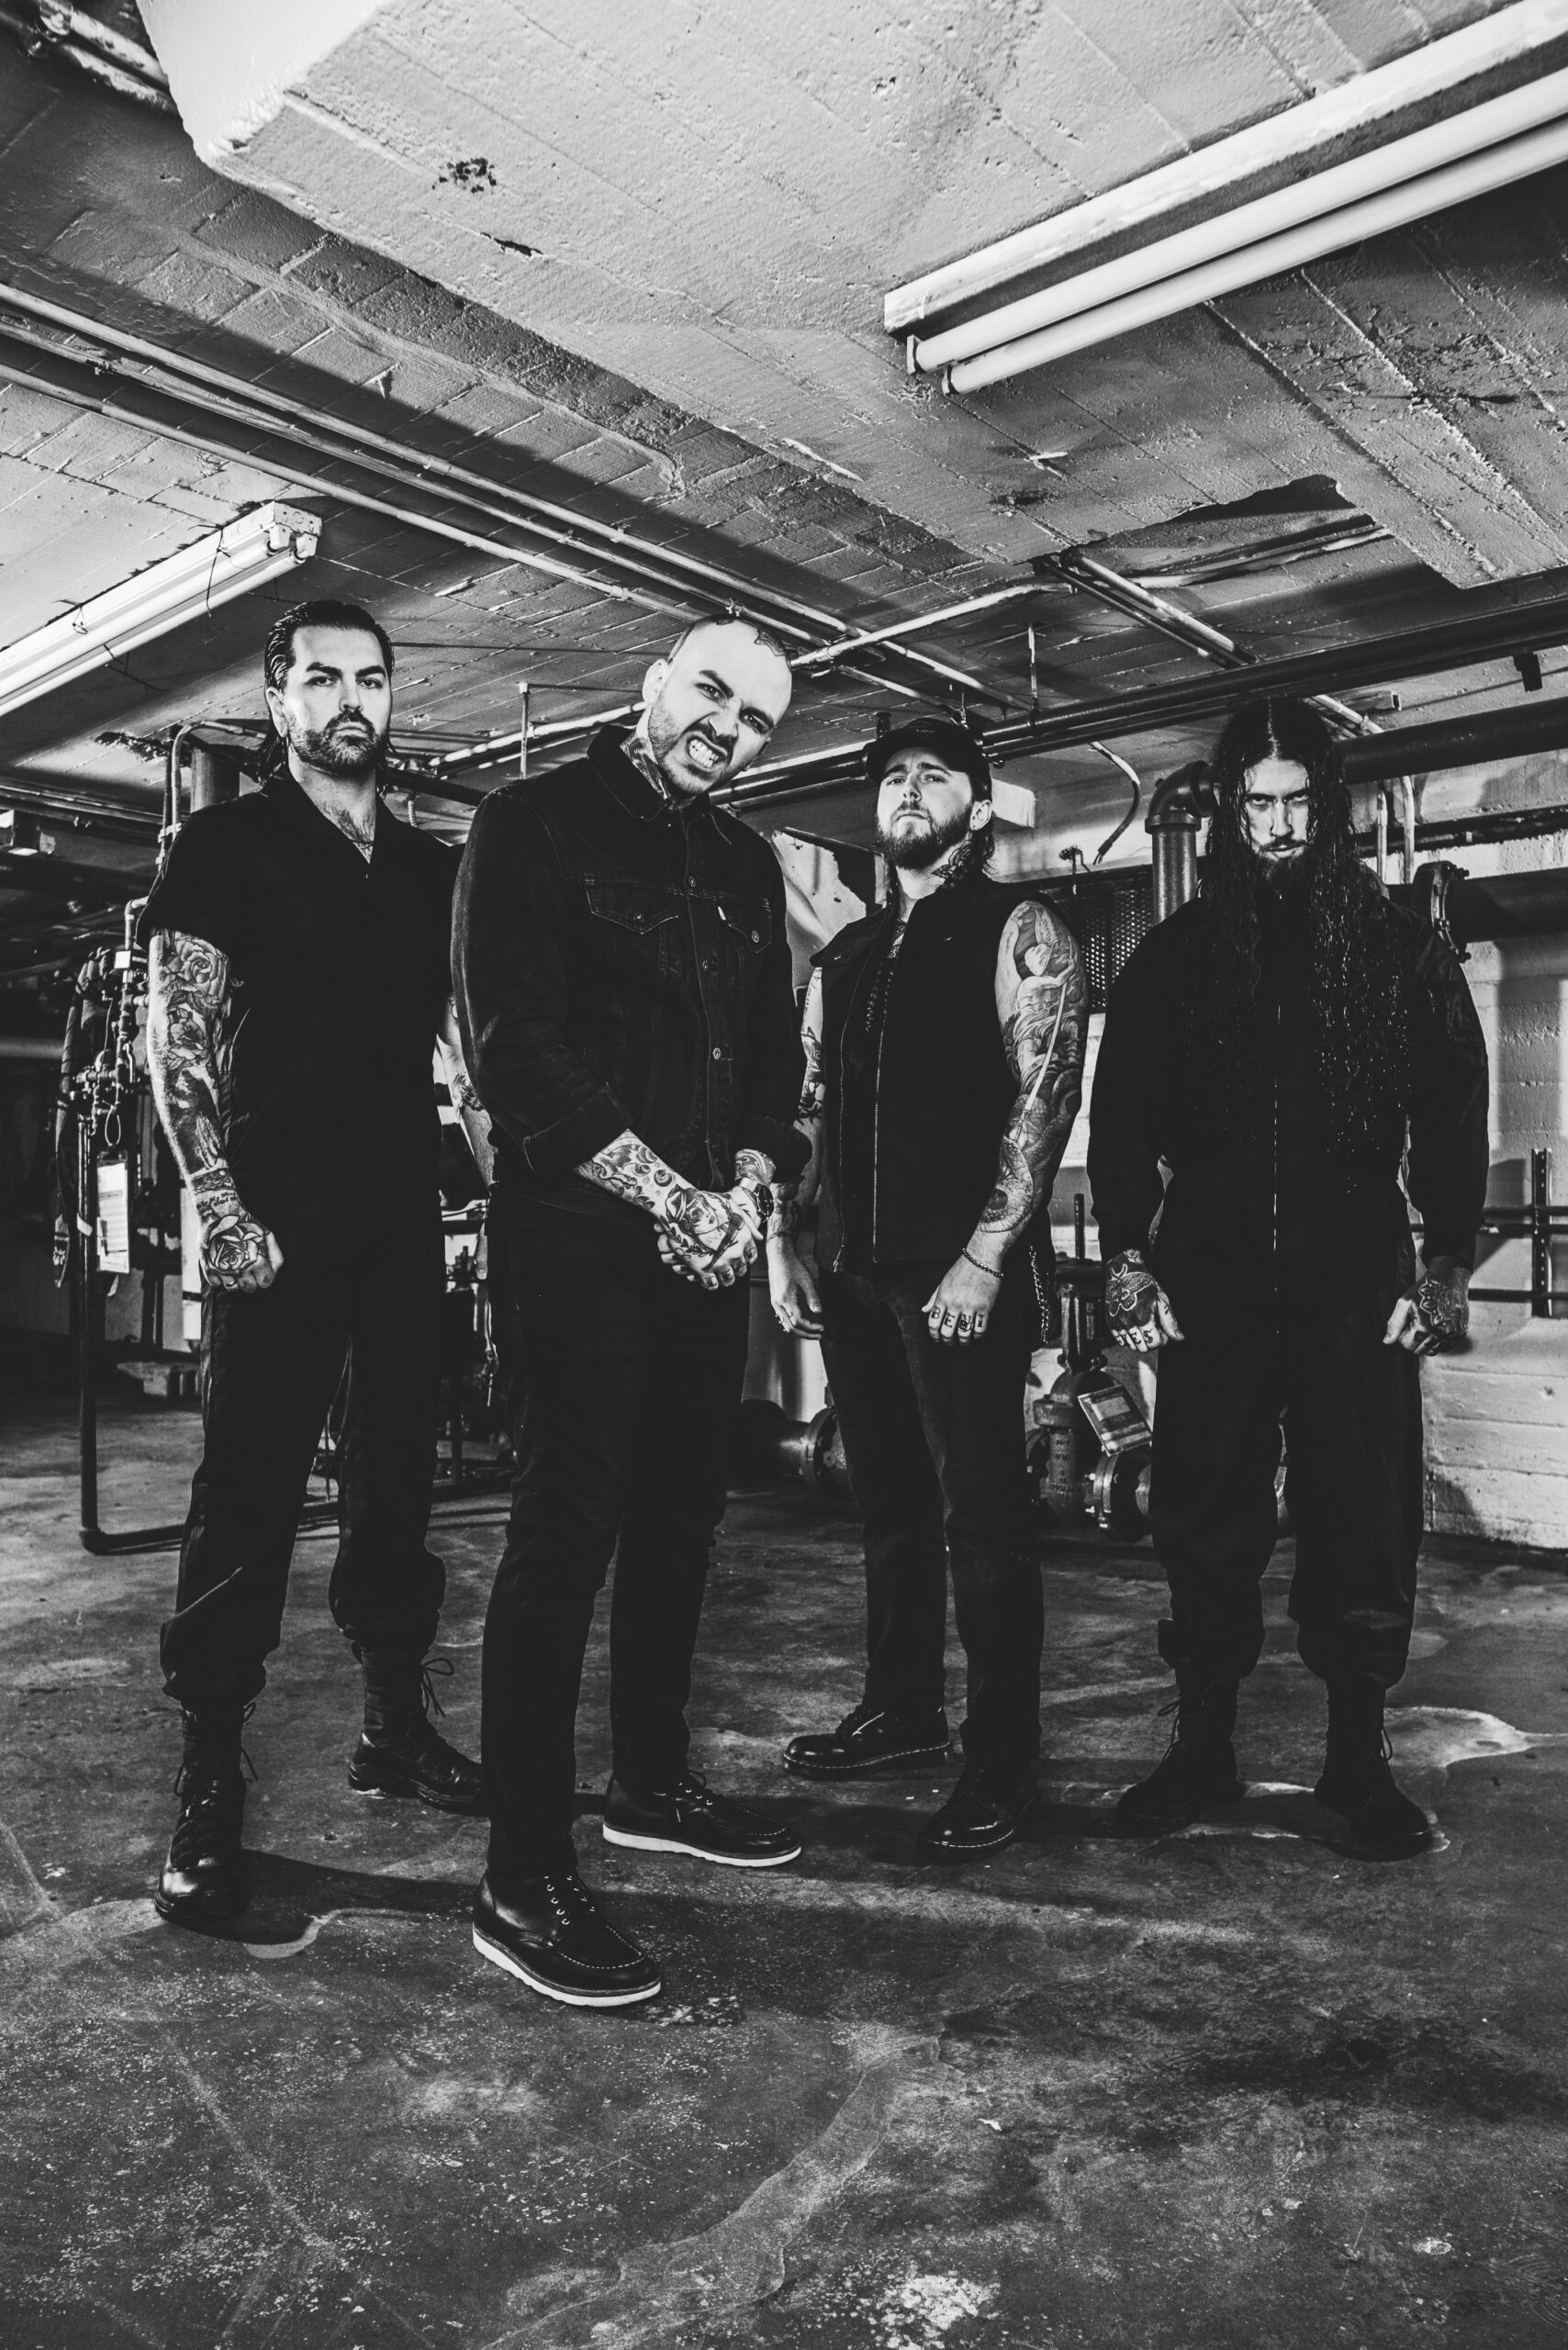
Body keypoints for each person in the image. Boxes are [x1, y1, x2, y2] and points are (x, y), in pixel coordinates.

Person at [453, 614, 808, 2009]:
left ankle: (650, 1786)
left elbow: (770, 1062)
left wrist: (749, 1193)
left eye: (757, 719)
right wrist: (673, 1200)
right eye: (711, 692)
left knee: (681, 1521)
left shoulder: (744, 862)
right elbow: (514, 1049)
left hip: (707, 1246)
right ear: (656, 681)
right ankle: (520, 1873)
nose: (727, 727)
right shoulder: (530, 823)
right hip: (580, 1241)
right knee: (565, 1536)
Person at [1087, 696, 1487, 1857]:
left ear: (1327, 805)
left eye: (1294, 801)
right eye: (1254, 804)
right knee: (1202, 1515)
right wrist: (1125, 1255)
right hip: (1208, 1275)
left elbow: (1452, 1108)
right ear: (1227, 810)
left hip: (1353, 1273)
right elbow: (1121, 1123)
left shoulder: (1399, 945)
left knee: (1362, 1517)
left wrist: (1448, 1257)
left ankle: (1355, 1765)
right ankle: (1202, 1747)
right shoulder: (1175, 956)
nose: (1274, 825)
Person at [142, 599, 490, 1927]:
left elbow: (466, 1050)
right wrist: (216, 1201)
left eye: (373, 680)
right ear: (279, 701)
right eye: (325, 679)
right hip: (273, 1214)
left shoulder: (430, 867)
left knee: (398, 1477)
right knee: (248, 1489)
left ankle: (394, 1724)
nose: (354, 700)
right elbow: (178, 1032)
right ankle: (208, 1773)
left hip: (399, 1212)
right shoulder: (226, 844)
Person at [767, 716, 1088, 1857]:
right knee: (889, 1503)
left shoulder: (1019, 928)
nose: (907, 790)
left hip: (958, 1274)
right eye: (893, 777)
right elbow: (808, 1103)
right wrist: (786, 1239)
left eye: (934, 775)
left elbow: (1044, 1099)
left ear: (979, 806)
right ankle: (903, 1709)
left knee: (981, 1514)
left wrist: (986, 1255)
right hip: (852, 1268)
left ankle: (1003, 1756)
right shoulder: (846, 954)